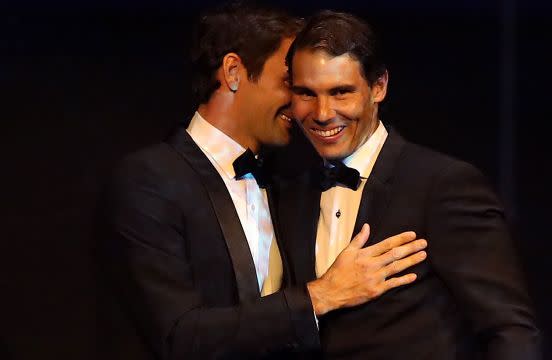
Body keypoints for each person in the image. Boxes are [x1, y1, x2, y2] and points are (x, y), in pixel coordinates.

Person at [98, 4, 427, 359]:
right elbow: (179, 335)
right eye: (291, 83)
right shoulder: (150, 179)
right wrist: (322, 295)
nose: (302, 102)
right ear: (234, 71)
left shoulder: (287, 184)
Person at [277, 10, 541, 359]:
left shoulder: (443, 185)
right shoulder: (291, 195)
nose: (323, 112)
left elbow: (511, 330)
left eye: (341, 92)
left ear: (378, 86)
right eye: (307, 94)